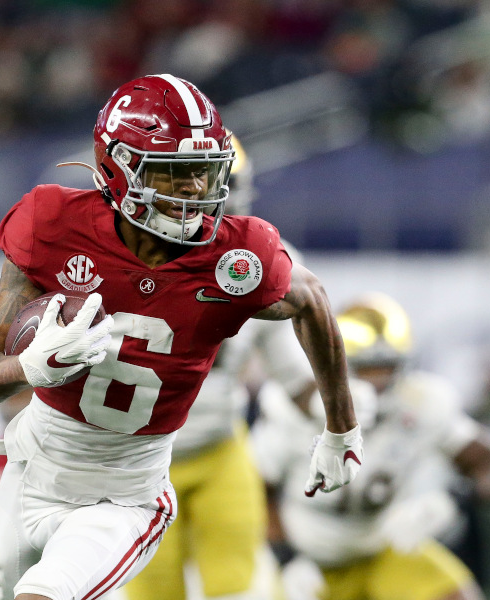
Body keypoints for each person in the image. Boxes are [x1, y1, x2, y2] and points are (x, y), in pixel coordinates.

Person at [0, 74, 364, 600]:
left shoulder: (237, 259)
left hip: (125, 491)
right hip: (34, 466)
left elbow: (312, 300)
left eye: (205, 173)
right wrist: (29, 368)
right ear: (118, 167)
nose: (195, 190)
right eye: (175, 173)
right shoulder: (53, 227)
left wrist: (341, 430)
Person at [122, 140, 316, 600]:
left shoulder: (257, 260)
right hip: (133, 465)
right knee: (150, 592)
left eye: (217, 185)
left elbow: (293, 375)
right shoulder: (128, 249)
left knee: (238, 589)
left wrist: (345, 420)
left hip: (219, 449)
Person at [250, 293, 490, 600]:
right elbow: (255, 488)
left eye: (386, 368)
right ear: (337, 365)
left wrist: (455, 499)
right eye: (366, 369)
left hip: (381, 547)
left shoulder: (420, 403)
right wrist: (285, 556)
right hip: (307, 557)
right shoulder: (295, 407)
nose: (377, 383)